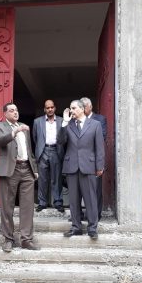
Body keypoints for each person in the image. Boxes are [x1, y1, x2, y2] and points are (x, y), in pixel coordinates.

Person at [0, 103, 40, 252]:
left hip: (27, 169)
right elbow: (0, 141)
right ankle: (8, 239)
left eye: (17, 110)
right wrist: (14, 132)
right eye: (12, 110)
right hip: (10, 170)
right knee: (7, 206)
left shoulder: (23, 127)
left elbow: (29, 150)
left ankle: (26, 239)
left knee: (27, 207)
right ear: (5, 113)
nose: (15, 112)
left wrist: (34, 169)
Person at [58, 100, 104, 239]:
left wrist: (100, 166)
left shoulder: (95, 124)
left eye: (73, 108)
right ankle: (76, 227)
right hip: (71, 166)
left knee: (90, 199)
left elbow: (99, 147)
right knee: (73, 200)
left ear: (82, 109)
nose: (71, 111)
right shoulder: (68, 124)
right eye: (70, 108)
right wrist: (64, 123)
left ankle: (92, 228)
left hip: (88, 166)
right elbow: (60, 141)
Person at [32, 99, 64, 213]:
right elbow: (35, 138)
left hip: (56, 150)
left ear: (55, 108)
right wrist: (41, 148)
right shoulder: (37, 122)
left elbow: (65, 137)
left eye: (51, 107)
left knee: (57, 178)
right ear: (44, 109)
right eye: (47, 108)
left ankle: (58, 202)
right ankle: (42, 202)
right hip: (43, 150)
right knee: (42, 179)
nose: (50, 109)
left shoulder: (61, 121)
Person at [81, 97, 107, 221]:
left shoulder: (100, 119)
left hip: (94, 159)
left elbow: (102, 137)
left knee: (95, 189)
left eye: (84, 107)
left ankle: (96, 215)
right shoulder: (77, 120)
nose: (82, 109)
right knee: (81, 189)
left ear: (90, 107)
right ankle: (82, 214)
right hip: (80, 160)